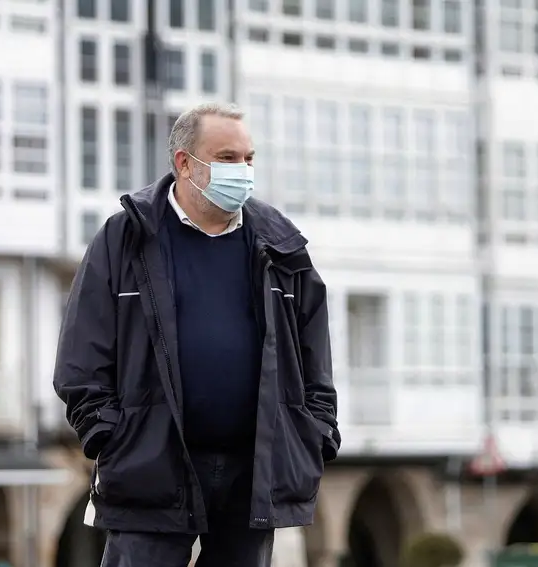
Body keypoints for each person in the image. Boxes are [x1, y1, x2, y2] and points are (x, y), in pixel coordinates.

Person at [53, 102, 340, 567]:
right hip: (149, 468)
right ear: (184, 163)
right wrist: (111, 436)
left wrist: (316, 429)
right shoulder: (124, 238)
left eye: (249, 158)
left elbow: (315, 353)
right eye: (228, 158)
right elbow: (81, 355)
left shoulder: (281, 244)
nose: (243, 170)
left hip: (253, 473)